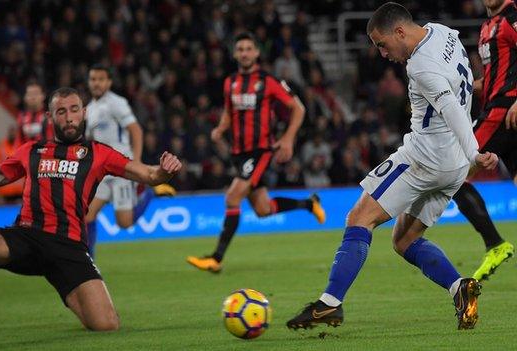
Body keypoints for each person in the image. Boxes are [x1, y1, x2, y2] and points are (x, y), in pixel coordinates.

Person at [0, 87, 182, 331]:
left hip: (69, 247)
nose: (68, 118)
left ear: (84, 113)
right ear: (50, 117)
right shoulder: (31, 151)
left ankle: (67, 286)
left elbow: (149, 175)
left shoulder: (99, 154)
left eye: (74, 110)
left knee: (106, 326)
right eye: (61, 112)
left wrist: (164, 171)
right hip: (26, 238)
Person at [286, 3, 499, 331]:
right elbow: (467, 80)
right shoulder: (444, 33)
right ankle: (460, 289)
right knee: (404, 240)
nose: (383, 54)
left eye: (382, 44)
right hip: (453, 166)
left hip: (424, 158)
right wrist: (467, 154)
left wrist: (475, 152)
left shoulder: (419, 66)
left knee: (359, 218)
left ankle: (329, 304)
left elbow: (449, 107)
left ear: (400, 31)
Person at [186, 32, 326, 273]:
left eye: (249, 48)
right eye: (240, 49)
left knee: (232, 197)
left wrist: (288, 139)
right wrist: (220, 128)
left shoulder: (269, 81)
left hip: (260, 151)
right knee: (263, 209)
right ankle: (309, 204)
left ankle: (216, 258)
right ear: (235, 53)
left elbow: (298, 109)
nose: (244, 53)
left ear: (257, 53)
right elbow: (229, 112)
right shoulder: (229, 82)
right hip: (238, 153)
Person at [451, 0, 516, 282]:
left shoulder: (512, 17)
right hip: (498, 108)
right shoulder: (488, 25)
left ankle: (495, 244)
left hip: (503, 111)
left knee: (451, 173)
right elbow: (497, 74)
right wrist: (469, 85)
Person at [84, 65, 173, 258]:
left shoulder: (117, 103)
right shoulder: (89, 109)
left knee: (124, 222)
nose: (96, 83)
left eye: (100, 79)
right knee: (86, 215)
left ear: (108, 82)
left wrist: (137, 164)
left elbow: (136, 131)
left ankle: (149, 193)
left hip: (120, 170)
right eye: (93, 79)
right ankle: (88, 261)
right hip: (100, 171)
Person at [0, 125, 23, 202]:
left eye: (15, 132)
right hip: (5, 191)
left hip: (21, 190)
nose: (13, 134)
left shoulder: (23, 147)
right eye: (11, 132)